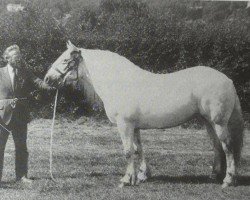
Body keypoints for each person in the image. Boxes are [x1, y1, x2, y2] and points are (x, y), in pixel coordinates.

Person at [0, 45, 53, 184]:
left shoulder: (25, 72)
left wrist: (50, 86)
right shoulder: (0, 72)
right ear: (7, 58)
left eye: (19, 56)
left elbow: (37, 82)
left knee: (21, 147)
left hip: (20, 115)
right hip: (2, 116)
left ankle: (22, 177)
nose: (18, 58)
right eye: (15, 56)